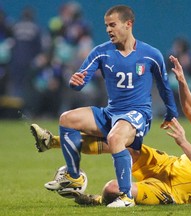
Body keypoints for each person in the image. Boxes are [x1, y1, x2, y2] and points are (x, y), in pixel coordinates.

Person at [30, 55, 191, 206]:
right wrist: (182, 83)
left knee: (112, 188)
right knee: (119, 140)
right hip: (167, 164)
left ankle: (98, 199)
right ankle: (51, 142)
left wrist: (184, 142)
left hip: (171, 190)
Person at [31, 5, 178, 208]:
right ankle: (74, 177)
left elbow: (164, 87)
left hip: (138, 114)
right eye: (106, 26)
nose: (108, 30)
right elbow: (81, 80)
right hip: (111, 113)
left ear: (128, 24)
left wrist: (172, 113)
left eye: (112, 25)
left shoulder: (151, 54)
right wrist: (75, 82)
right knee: (67, 118)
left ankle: (126, 196)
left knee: (115, 138)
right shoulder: (101, 52)